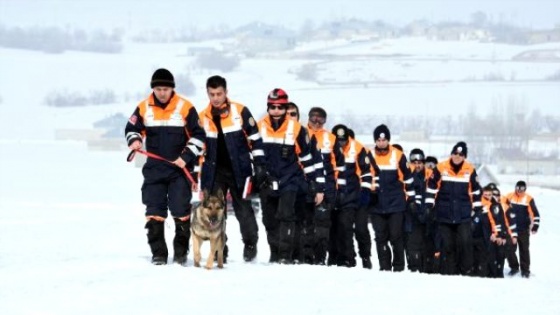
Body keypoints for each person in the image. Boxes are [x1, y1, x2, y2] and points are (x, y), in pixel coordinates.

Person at [125, 68, 206, 265]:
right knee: (154, 211)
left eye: (166, 89)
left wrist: (185, 157)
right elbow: (131, 128)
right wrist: (135, 140)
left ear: (172, 89)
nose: (162, 92)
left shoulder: (185, 107)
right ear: (153, 89)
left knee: (180, 210)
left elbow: (199, 135)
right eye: (159, 88)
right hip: (154, 170)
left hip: (179, 171)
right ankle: (158, 254)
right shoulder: (144, 107)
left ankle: (180, 254)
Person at [198, 75, 266, 262]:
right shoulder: (203, 117)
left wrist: (259, 166)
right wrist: (198, 175)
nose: (216, 98)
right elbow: (199, 148)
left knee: (243, 210)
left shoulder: (241, 111)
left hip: (240, 171)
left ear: (226, 92)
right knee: (215, 212)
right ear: (208, 94)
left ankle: (250, 243)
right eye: (212, 94)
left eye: (219, 93)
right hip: (214, 172)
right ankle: (221, 248)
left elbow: (256, 139)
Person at [258, 88, 318, 264]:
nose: (276, 110)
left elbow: (306, 157)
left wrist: (313, 181)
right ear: (268, 107)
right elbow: (252, 152)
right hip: (267, 180)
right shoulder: (259, 126)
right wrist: (258, 172)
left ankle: (285, 254)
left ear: (285, 108)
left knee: (286, 215)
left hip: (289, 179)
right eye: (272, 107)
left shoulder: (297, 129)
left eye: (280, 107)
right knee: (269, 219)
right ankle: (274, 252)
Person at [425, 141, 482, 276]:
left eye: (461, 154)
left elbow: (476, 191)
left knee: (465, 242)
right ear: (451, 154)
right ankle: (451, 272)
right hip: (444, 214)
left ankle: (466, 270)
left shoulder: (470, 169)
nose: (457, 156)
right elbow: (431, 186)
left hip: (463, 215)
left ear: (464, 157)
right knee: (448, 245)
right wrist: (429, 205)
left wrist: (478, 209)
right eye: (455, 153)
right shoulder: (440, 168)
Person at [369, 124, 415, 272]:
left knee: (396, 236)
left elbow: (408, 179)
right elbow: (364, 177)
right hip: (376, 204)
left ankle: (399, 267)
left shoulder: (398, 155)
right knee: (380, 237)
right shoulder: (369, 155)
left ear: (388, 140)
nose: (381, 142)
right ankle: (384, 267)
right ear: (375, 140)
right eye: (378, 139)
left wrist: (412, 200)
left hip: (396, 204)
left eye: (384, 139)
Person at [306, 107, 348, 265]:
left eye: (320, 119)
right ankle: (305, 256)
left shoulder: (331, 138)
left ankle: (320, 257)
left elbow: (341, 165)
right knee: (305, 222)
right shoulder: (301, 133)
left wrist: (341, 190)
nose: (316, 122)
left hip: (327, 186)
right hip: (306, 183)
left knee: (322, 224)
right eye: (314, 118)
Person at [331, 124, 373, 268]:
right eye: (338, 141)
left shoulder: (358, 148)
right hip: (338, 196)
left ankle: (366, 256)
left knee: (361, 230)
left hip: (355, 195)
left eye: (343, 141)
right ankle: (349, 258)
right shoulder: (329, 148)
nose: (341, 144)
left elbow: (367, 172)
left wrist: (366, 192)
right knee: (344, 228)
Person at [505, 180, 540, 278]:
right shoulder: (509, 197)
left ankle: (525, 271)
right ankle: (514, 267)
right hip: (511, 229)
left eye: (522, 188)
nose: (519, 190)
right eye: (518, 188)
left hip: (523, 229)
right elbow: (502, 209)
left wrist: (535, 226)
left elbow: (535, 214)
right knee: (509, 249)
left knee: (524, 250)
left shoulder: (528, 199)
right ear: (515, 187)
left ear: (525, 189)